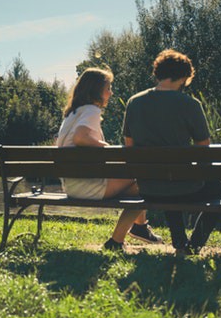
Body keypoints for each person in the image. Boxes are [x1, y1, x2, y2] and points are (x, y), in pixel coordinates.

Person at [122, 49, 221, 256]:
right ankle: (194, 244)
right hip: (183, 185)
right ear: (183, 76)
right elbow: (203, 146)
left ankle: (180, 243)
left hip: (148, 186)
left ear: (158, 72)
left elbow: (129, 145)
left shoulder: (134, 102)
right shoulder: (190, 104)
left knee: (168, 180)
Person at [56, 67, 162, 251]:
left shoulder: (72, 113)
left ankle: (140, 227)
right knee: (148, 183)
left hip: (72, 185)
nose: (111, 93)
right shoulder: (91, 110)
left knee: (137, 187)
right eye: (108, 88)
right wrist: (107, 148)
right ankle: (118, 240)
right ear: (96, 90)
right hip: (87, 186)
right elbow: (80, 138)